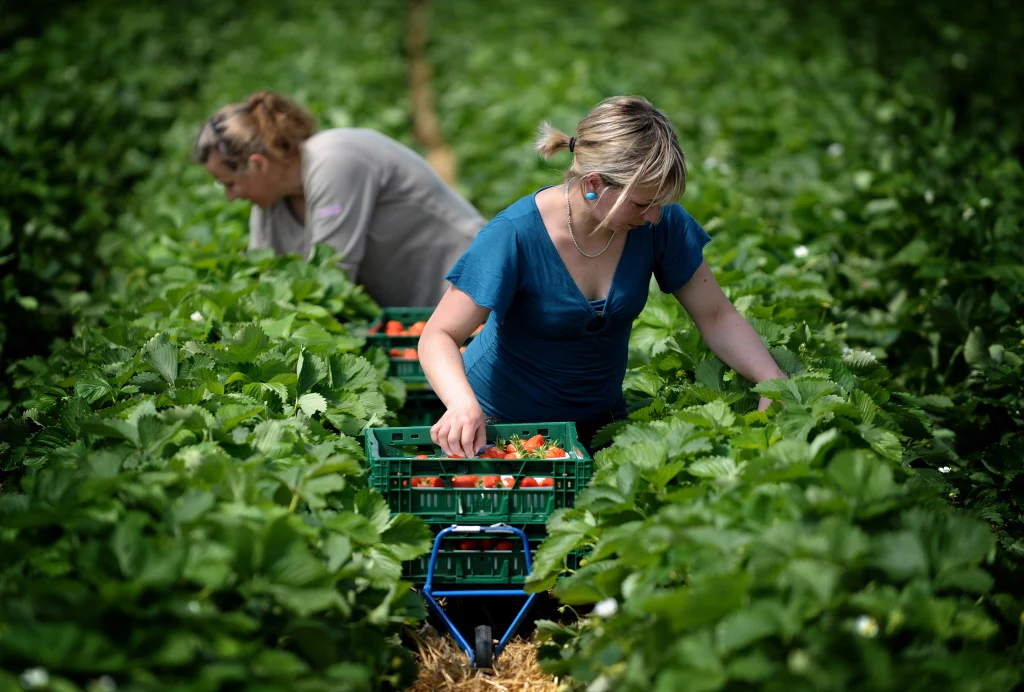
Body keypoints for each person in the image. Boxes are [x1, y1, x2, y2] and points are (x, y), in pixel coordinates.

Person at [418, 95, 788, 458]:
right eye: (642, 203)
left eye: (660, 203)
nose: (654, 216)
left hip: (602, 426)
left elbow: (716, 315)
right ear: (594, 183)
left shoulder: (659, 225)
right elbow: (439, 334)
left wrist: (772, 381)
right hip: (501, 430)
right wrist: (462, 406)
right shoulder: (514, 235)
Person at [191, 91, 487, 307]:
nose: (230, 197)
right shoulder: (271, 203)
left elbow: (331, 280)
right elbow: (261, 279)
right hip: (420, 317)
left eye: (229, 184)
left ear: (258, 164)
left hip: (477, 292)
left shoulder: (335, 159)